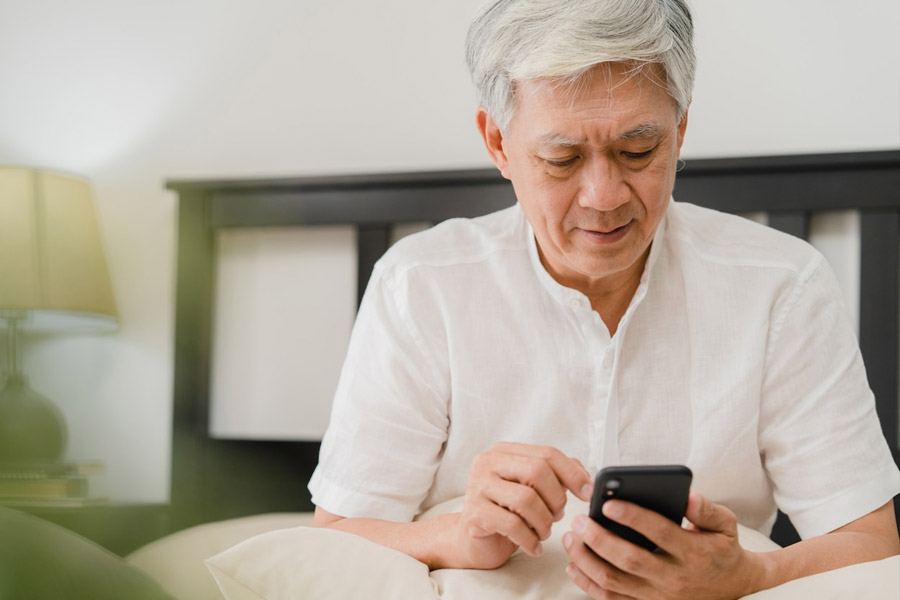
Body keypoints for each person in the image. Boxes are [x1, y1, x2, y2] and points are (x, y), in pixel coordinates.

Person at [309, 0, 900, 597]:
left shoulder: (781, 287)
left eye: (638, 151)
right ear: (498, 142)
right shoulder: (421, 286)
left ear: (681, 129)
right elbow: (333, 537)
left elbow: (872, 545)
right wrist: (457, 535)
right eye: (561, 158)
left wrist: (749, 575)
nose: (603, 195)